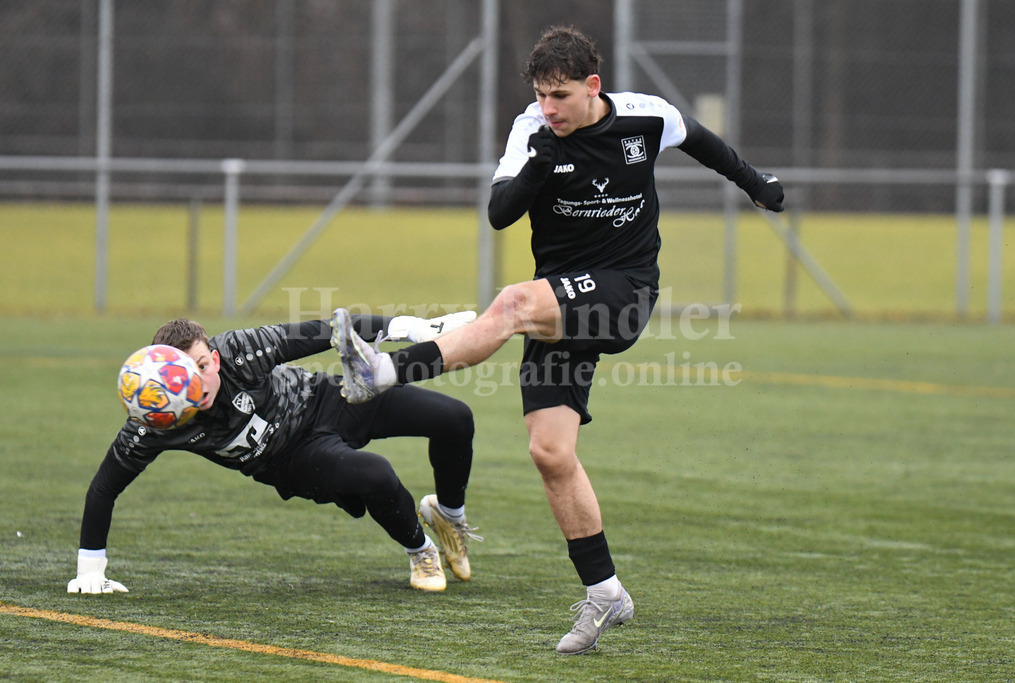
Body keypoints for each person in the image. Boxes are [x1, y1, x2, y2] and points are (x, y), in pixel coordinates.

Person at [331, 25, 784, 653]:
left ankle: (381, 373)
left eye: (561, 95)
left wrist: (758, 185)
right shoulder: (532, 132)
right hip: (562, 303)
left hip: (624, 292)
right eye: (542, 95)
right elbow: (499, 214)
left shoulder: (643, 118)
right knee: (549, 451)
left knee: (512, 301)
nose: (550, 108)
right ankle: (605, 593)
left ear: (593, 86)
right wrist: (538, 166)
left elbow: (707, 145)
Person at [67, 311, 481, 595]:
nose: (195, 380)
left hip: (326, 400)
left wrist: (408, 326)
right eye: (181, 373)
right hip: (292, 460)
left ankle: (450, 517)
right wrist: (90, 572)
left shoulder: (237, 352)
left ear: (213, 356)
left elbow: (327, 330)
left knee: (455, 418)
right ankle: (421, 550)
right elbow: (104, 488)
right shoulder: (159, 417)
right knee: (375, 474)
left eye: (201, 366)